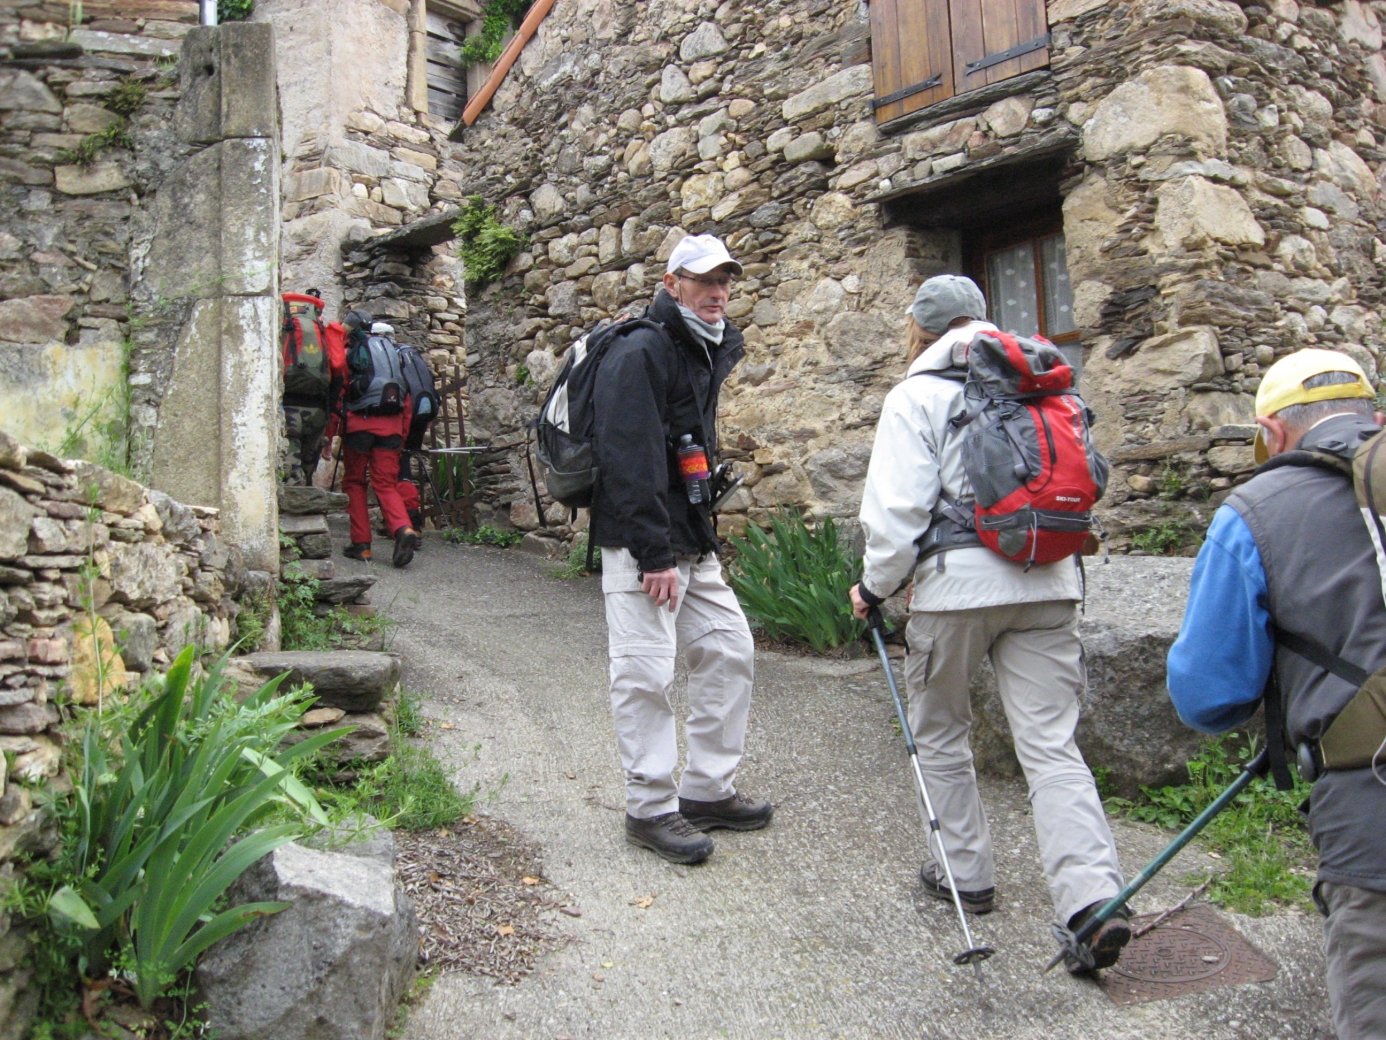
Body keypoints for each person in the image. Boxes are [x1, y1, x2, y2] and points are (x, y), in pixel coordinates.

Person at [847, 274, 1131, 972]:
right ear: (982, 319)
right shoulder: (1041, 384)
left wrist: (873, 588)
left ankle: (965, 875)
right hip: (1049, 578)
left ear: (919, 329)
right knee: (1052, 746)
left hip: (956, 590)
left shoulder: (916, 394)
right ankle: (1093, 900)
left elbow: (897, 516)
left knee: (941, 730)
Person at [1166, 349, 1386, 1039]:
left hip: (1372, 808)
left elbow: (1207, 695)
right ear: (1375, 418)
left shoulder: (1256, 511)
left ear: (1272, 431)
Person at [590, 233, 772, 864]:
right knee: (644, 672)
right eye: (704, 280)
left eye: (724, 280)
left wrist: (691, 539)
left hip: (690, 536)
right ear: (672, 284)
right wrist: (654, 553)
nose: (718, 291)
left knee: (728, 649)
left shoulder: (701, 346)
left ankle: (706, 791)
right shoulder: (642, 348)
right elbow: (627, 456)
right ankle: (649, 808)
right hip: (644, 542)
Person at [323, 314, 421, 568]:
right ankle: (403, 528)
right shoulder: (393, 357)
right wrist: (401, 436)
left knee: (355, 482)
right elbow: (406, 401)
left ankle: (362, 545)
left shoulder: (353, 354)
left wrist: (329, 435)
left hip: (359, 427)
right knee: (386, 484)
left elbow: (338, 395)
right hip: (392, 429)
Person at [281, 290, 345, 485]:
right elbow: (338, 368)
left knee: (290, 463)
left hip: (288, 406)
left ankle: (292, 491)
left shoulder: (283, 329)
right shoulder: (326, 332)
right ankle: (308, 492)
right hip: (317, 409)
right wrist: (329, 411)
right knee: (309, 466)